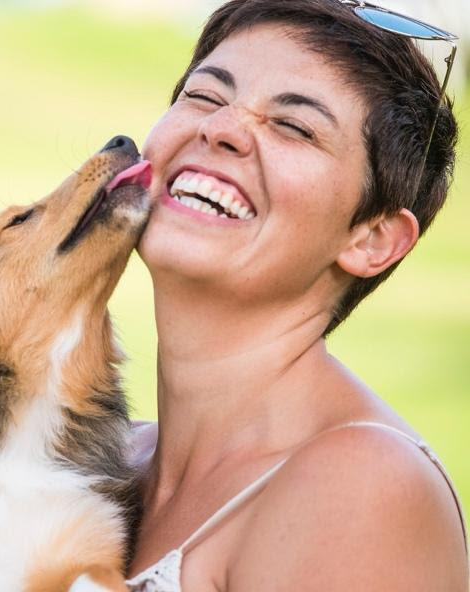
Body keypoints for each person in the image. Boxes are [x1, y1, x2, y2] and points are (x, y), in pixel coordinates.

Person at [126, 0, 468, 590]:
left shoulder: (361, 485)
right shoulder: (108, 460)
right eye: (206, 95)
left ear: (373, 239)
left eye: (293, 126)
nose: (221, 128)